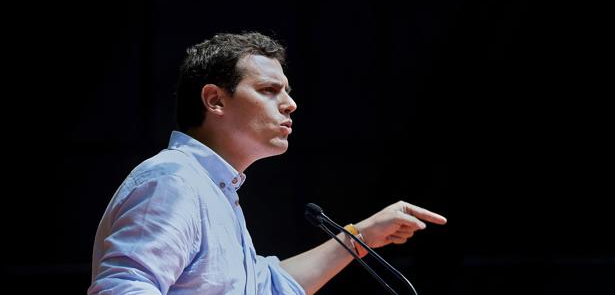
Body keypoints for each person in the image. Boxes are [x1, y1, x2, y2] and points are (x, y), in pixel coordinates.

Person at [87, 31, 447, 295]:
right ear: (215, 100)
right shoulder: (173, 181)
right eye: (268, 90)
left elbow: (270, 287)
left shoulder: (214, 191)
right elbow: (124, 288)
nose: (290, 104)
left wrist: (360, 235)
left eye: (286, 91)